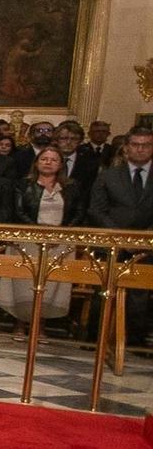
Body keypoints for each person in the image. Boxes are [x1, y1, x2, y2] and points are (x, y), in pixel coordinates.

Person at [0, 146, 81, 326]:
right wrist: (37, 232)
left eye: (53, 159)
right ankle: (19, 324)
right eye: (44, 159)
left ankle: (41, 326)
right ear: (36, 163)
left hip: (59, 243)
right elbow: (18, 210)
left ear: (61, 164)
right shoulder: (23, 184)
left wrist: (62, 233)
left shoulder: (70, 186)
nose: (48, 163)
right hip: (28, 240)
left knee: (51, 284)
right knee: (23, 283)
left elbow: (78, 211)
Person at [86, 126, 153, 344]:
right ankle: (96, 338)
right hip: (112, 243)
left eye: (146, 145)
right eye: (135, 144)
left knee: (139, 295)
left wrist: (146, 237)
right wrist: (121, 237)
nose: (140, 149)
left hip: (148, 245)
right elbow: (96, 210)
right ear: (126, 148)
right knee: (104, 292)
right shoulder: (109, 175)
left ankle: (132, 341)